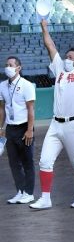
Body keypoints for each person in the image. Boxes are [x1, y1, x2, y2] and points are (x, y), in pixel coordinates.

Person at [29, 17, 74, 210]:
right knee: (45, 161)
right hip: (56, 124)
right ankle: (45, 198)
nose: (67, 59)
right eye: (66, 56)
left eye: (71, 57)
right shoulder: (60, 70)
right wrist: (44, 27)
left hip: (73, 124)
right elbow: (50, 45)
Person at [1, 57, 36, 205]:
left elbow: (30, 109)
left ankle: (29, 193)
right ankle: (20, 191)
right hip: (10, 128)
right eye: (6, 65)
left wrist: (29, 130)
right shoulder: (2, 85)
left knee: (27, 162)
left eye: (11, 65)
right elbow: (1, 109)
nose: (7, 67)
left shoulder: (27, 85)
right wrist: (1, 127)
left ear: (18, 68)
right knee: (13, 163)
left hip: (24, 127)